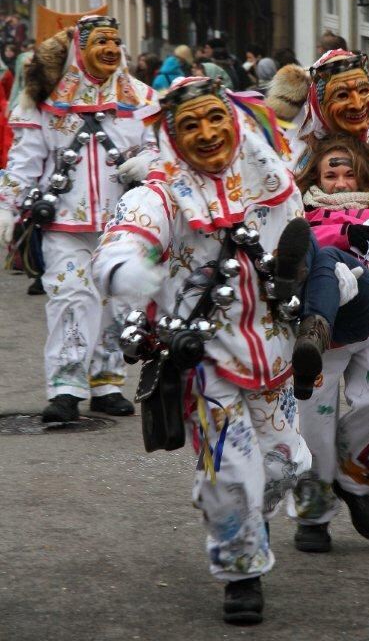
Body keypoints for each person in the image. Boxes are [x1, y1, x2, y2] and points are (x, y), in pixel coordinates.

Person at [92, 75, 312, 624]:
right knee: (232, 473)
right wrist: (130, 273)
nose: (208, 133)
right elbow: (120, 248)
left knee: (286, 466)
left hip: (274, 353)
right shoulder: (160, 195)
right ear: (172, 135)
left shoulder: (270, 178)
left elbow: (305, 248)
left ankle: (232, 512)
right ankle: (241, 572)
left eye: (216, 118)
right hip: (204, 359)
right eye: (190, 124)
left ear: (234, 119)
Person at [267, 50, 369, 552]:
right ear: (319, 101)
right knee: (311, 414)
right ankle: (313, 513)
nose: (357, 101)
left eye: (364, 89)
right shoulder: (285, 164)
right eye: (342, 93)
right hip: (312, 319)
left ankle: (353, 482)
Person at [0, 15, 161, 422]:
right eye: (100, 41)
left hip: (124, 224)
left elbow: (164, 151)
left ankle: (106, 384)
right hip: (65, 225)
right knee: (72, 298)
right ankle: (66, 389)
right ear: (78, 49)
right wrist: (7, 204)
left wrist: (146, 163)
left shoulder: (140, 98)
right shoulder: (47, 99)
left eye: (115, 41)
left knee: (120, 303)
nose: (110, 49)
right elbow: (24, 162)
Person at [291, 134, 369, 396]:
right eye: (331, 176)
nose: (340, 184)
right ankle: (308, 355)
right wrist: (345, 234)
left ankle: (313, 335)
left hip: (366, 306)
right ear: (317, 178)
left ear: (362, 175)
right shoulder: (302, 211)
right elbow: (291, 242)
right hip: (313, 311)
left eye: (349, 174)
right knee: (309, 424)